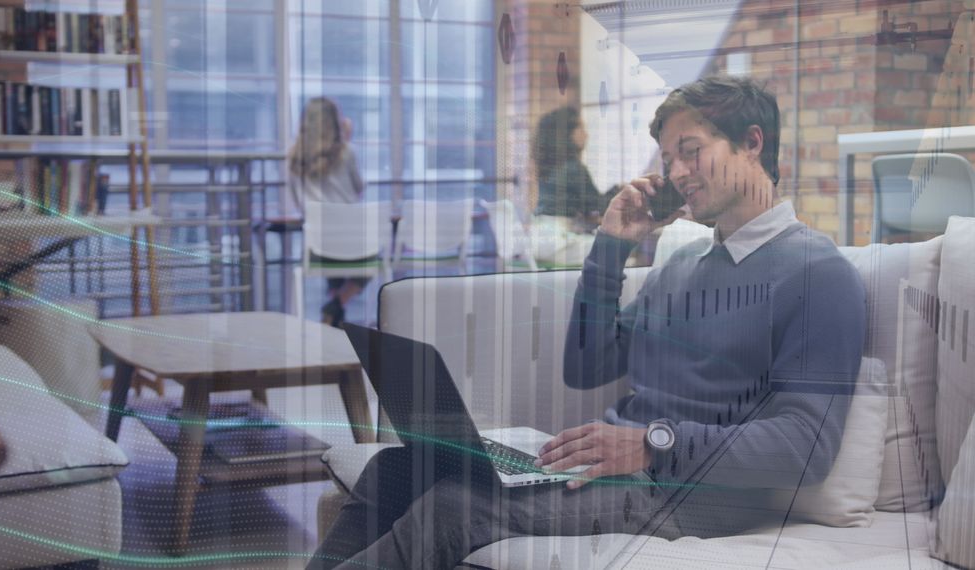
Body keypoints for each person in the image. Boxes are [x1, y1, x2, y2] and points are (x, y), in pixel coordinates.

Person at [307, 76, 866, 569]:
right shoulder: (683, 262)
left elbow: (805, 447)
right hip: (612, 470)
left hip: (687, 494)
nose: (676, 173)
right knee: (393, 472)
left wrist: (653, 443)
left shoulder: (817, 274)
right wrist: (611, 246)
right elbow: (586, 365)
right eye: (668, 158)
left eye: (691, 151)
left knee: (454, 508)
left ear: (752, 143)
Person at [287, 97, 367, 327]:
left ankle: (335, 314)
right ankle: (336, 304)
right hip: (352, 243)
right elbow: (359, 189)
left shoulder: (293, 156)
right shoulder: (347, 151)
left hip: (318, 247)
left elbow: (299, 203)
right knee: (374, 258)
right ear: (336, 122)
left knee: (332, 247)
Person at [531, 106, 615, 229]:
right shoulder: (573, 169)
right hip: (562, 231)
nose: (586, 135)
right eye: (581, 128)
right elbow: (597, 206)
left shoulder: (549, 168)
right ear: (567, 133)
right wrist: (619, 192)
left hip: (539, 227)